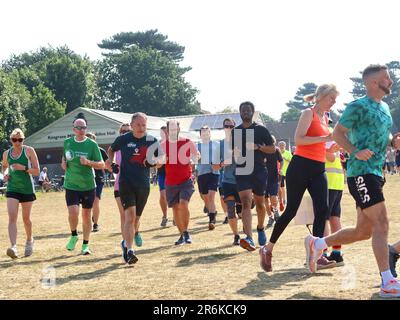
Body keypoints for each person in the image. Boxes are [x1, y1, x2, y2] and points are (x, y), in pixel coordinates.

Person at [302, 65, 400, 298]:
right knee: (382, 224)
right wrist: (355, 151)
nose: (391, 81)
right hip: (361, 172)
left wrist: (393, 141)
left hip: (376, 172)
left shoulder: (384, 107)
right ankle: (387, 281)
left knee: (363, 231)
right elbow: (337, 133)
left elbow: (381, 137)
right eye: (386, 78)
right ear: (373, 82)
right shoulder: (358, 106)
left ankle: (317, 244)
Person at [260, 84, 339, 271]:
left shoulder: (326, 117)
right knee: (291, 210)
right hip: (300, 167)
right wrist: (324, 139)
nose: (334, 103)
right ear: (320, 97)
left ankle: (317, 254)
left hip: (319, 168)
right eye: (331, 99)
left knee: (323, 209)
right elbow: (300, 140)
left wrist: (332, 148)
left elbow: (322, 144)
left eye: (335, 100)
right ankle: (268, 248)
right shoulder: (308, 113)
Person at [107, 113, 162, 265]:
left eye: (143, 125)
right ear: (131, 125)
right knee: (129, 217)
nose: (141, 128)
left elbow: (162, 160)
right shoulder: (124, 139)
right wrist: (110, 162)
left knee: (136, 219)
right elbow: (111, 150)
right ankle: (130, 251)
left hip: (143, 185)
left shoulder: (152, 140)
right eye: (138, 125)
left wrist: (153, 163)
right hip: (126, 183)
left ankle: (125, 243)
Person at [233, 101, 276, 251]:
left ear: (253, 112)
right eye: (243, 110)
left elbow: (272, 149)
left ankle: (260, 227)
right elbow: (233, 151)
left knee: (259, 204)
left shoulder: (261, 130)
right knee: (245, 202)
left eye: (248, 110)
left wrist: (258, 147)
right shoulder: (235, 131)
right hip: (242, 170)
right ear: (240, 113)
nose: (245, 112)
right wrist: (234, 154)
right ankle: (249, 238)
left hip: (259, 171)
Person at [62, 114, 105, 256]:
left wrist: (88, 162)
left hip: (88, 185)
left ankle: (85, 245)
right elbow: (65, 157)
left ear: (86, 129)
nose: (81, 130)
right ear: (73, 129)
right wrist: (63, 163)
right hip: (71, 184)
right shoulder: (67, 142)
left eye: (84, 127)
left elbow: (101, 164)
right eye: (78, 127)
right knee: (73, 212)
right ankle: (74, 235)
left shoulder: (92, 145)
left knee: (86, 215)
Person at [2, 129, 40, 259]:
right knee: (12, 217)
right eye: (14, 140)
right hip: (12, 188)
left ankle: (29, 240)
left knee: (25, 219)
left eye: (20, 140)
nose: (17, 142)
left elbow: (37, 171)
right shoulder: (6, 153)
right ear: (11, 140)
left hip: (27, 188)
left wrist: (23, 168)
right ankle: (13, 247)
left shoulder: (29, 151)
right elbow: (5, 166)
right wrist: (6, 174)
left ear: (23, 140)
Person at [162, 120, 197, 245]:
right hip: (171, 182)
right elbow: (157, 163)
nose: (172, 131)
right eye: (170, 129)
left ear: (178, 129)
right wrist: (160, 160)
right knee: (176, 209)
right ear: (167, 131)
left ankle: (186, 232)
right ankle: (182, 234)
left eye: (174, 128)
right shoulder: (163, 145)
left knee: (183, 204)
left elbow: (197, 155)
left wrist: (193, 160)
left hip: (185, 180)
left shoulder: (187, 142)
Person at [213, 118, 242, 245]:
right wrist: (223, 163)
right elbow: (214, 166)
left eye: (231, 126)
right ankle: (236, 236)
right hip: (228, 181)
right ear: (223, 128)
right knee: (230, 209)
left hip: (243, 182)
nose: (229, 128)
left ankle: (247, 232)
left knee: (242, 211)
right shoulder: (220, 144)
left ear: (235, 127)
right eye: (226, 126)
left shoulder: (242, 142)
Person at [110, 123, 131, 262]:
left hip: (135, 186)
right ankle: (126, 244)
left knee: (133, 218)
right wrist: (112, 167)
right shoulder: (116, 149)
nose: (124, 133)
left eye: (127, 131)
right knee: (124, 215)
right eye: (122, 131)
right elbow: (110, 162)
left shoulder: (135, 148)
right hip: (119, 186)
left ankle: (131, 238)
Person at [323, 140, 345, 266]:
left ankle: (323, 254)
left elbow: (330, 158)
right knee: (334, 218)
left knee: (323, 219)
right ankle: (337, 253)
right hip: (337, 181)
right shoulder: (335, 136)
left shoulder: (324, 136)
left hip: (328, 182)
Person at [196, 125, 220, 230]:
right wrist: (196, 158)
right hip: (201, 173)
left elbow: (221, 156)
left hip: (214, 173)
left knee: (211, 196)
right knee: (204, 196)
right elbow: (194, 158)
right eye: (203, 133)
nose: (205, 134)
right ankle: (212, 210)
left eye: (207, 132)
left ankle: (212, 220)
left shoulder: (216, 144)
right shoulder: (197, 146)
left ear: (210, 134)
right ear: (200, 135)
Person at [85, 132, 109, 233]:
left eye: (91, 140)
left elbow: (107, 163)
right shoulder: (82, 152)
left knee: (95, 201)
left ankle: (95, 224)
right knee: (86, 204)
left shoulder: (100, 151)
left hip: (98, 179)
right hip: (85, 179)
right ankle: (87, 223)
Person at [265, 136, 283, 229]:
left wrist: (280, 169)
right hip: (263, 179)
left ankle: (275, 211)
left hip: (274, 177)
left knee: (273, 196)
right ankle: (270, 217)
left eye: (272, 142)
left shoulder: (276, 150)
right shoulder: (262, 151)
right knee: (265, 199)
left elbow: (281, 160)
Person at [158, 126, 169, 227]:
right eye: (163, 133)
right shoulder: (157, 144)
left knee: (174, 195)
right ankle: (165, 216)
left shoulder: (174, 144)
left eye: (166, 132)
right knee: (163, 195)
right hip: (162, 173)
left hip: (173, 172)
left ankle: (176, 215)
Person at [278, 141, 292, 212]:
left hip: (288, 172)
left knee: (288, 187)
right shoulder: (277, 152)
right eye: (280, 145)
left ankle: (286, 199)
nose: (282, 146)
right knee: (282, 187)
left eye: (283, 145)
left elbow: (292, 161)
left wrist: (285, 159)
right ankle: (283, 199)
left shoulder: (288, 153)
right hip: (281, 172)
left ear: (285, 146)